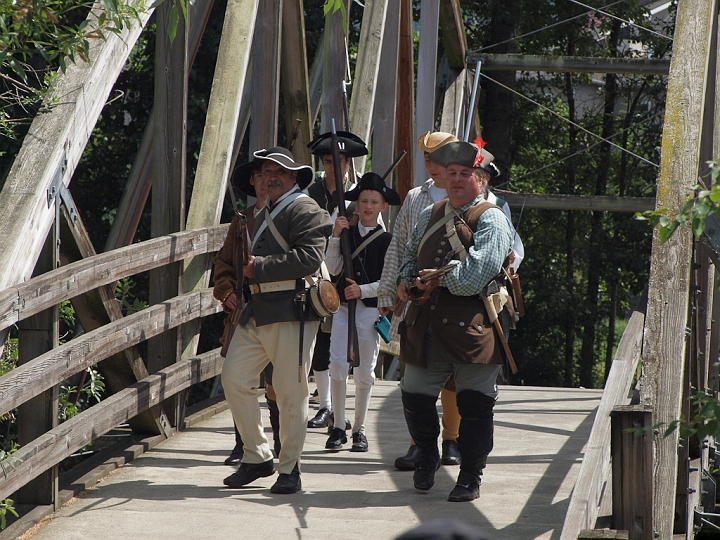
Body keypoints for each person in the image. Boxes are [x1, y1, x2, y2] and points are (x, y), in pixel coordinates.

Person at [396, 140, 514, 502]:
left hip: (472, 330)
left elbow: (473, 277)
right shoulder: (430, 214)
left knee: (476, 407)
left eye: (467, 174)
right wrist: (407, 280)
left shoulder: (492, 218)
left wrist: (435, 278)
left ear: (481, 180)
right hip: (427, 325)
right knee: (413, 394)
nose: (458, 180)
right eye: (452, 174)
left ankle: (470, 477)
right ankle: (428, 456)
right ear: (443, 178)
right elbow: (408, 257)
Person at [219, 147, 333, 494]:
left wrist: (260, 267)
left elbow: (310, 259)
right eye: (267, 171)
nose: (272, 177)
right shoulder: (257, 214)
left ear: (294, 177)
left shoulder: (304, 208)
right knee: (234, 378)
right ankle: (257, 456)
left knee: (290, 392)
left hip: (292, 307)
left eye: (280, 171)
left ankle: (290, 468)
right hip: (259, 308)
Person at [377, 131, 463, 469]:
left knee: (453, 373)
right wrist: (388, 290)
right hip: (416, 300)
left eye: (437, 157)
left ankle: (452, 440)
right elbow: (398, 245)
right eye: (427, 158)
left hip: (458, 298)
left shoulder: (472, 195)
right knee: (415, 372)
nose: (431, 164)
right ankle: (418, 444)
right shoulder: (415, 197)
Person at [324, 172, 400, 451]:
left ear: (383, 206)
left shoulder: (388, 240)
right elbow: (332, 269)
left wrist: (364, 291)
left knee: (366, 372)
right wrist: (335, 235)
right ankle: (338, 427)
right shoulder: (344, 233)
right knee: (337, 365)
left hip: (369, 310)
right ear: (356, 205)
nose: (368, 206)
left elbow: (390, 280)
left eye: (374, 201)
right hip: (343, 308)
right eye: (363, 200)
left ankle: (359, 429)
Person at [213, 160, 281, 465]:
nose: (265, 182)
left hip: (279, 310)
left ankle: (279, 445)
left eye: (270, 175)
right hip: (244, 311)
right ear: (253, 182)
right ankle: (244, 445)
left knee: (276, 384)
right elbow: (224, 265)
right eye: (259, 176)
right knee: (241, 380)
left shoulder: (287, 216)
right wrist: (227, 292)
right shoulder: (241, 222)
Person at [304, 130, 369, 431]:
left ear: (348, 163)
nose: (334, 166)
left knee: (333, 346)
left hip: (344, 278)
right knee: (316, 345)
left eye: (340, 161)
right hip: (312, 273)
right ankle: (326, 407)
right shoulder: (310, 195)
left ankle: (342, 415)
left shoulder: (360, 197)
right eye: (328, 161)